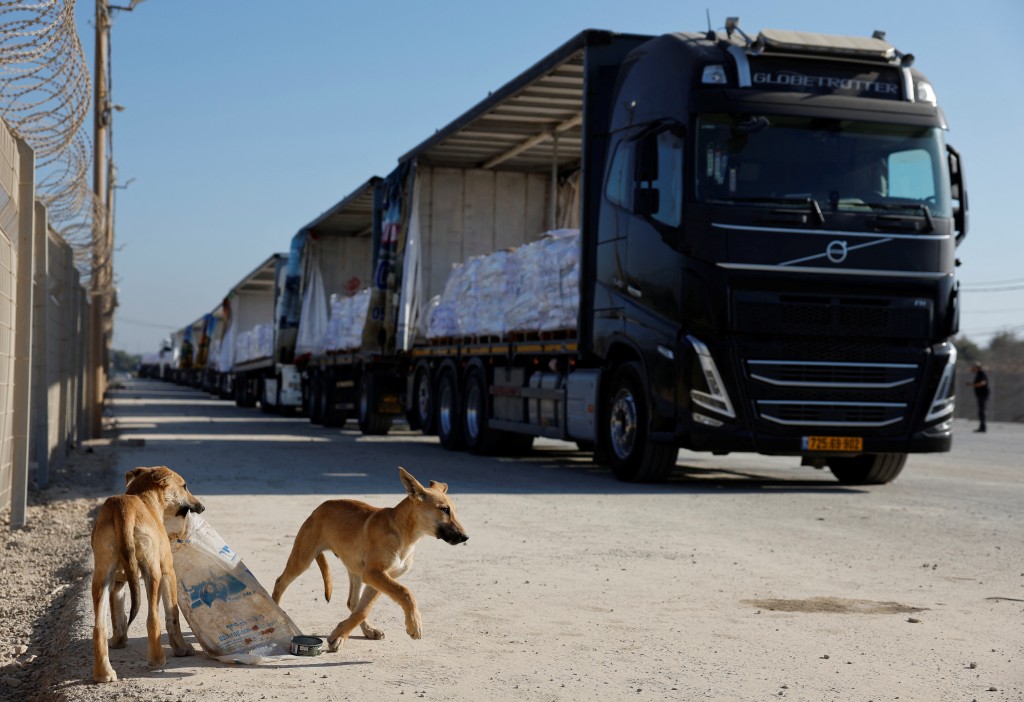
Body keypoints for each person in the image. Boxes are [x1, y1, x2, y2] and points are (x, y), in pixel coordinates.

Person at [968, 363, 990, 433]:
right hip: (980, 395)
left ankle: (983, 427)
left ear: (977, 368)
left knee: (982, 411)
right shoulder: (979, 374)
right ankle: (982, 426)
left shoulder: (981, 373)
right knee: (981, 411)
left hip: (983, 395)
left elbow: (983, 383)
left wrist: (973, 385)